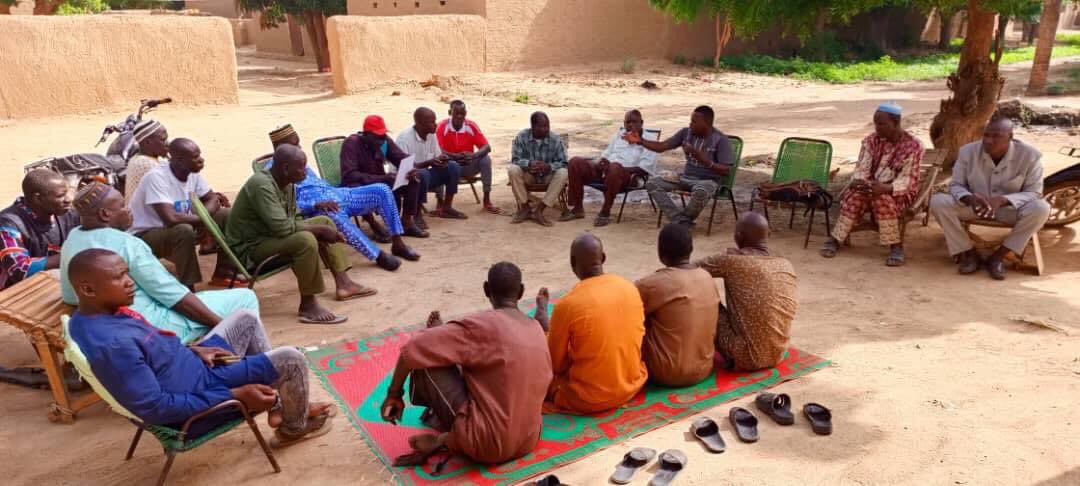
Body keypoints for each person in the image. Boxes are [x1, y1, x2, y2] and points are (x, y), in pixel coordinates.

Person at [66, 248, 336, 447]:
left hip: (193, 367)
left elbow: (152, 352)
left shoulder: (90, 317)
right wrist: (236, 394)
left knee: (245, 319)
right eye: (119, 277)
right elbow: (157, 408)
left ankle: (277, 404)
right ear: (88, 290)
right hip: (199, 399)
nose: (130, 281)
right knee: (291, 359)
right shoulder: (113, 346)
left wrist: (193, 350)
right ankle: (293, 428)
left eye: (127, 273)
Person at [379, 262, 552, 465]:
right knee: (480, 362)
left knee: (426, 358)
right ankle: (445, 344)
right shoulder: (536, 329)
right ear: (521, 292)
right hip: (528, 440)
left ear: (486, 289)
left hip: (487, 445)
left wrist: (394, 394)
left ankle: (446, 438)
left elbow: (410, 351)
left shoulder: (479, 326)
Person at [60, 182, 259, 344]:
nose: (128, 210)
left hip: (108, 326)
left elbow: (70, 297)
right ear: (105, 214)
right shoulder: (127, 244)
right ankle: (240, 356)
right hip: (151, 328)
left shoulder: (72, 239)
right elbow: (174, 296)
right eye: (122, 206)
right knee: (245, 297)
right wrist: (222, 324)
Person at [228, 144, 374, 324]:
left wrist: (321, 228)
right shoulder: (261, 185)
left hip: (271, 237)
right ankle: (308, 305)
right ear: (285, 168)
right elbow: (283, 227)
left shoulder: (287, 184)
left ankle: (344, 284)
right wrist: (319, 231)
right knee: (305, 240)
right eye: (301, 167)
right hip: (251, 249)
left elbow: (294, 218)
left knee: (325, 221)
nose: (305, 171)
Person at [267, 125, 418, 271]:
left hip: (336, 194)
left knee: (381, 190)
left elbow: (317, 183)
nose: (299, 147)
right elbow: (286, 206)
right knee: (334, 215)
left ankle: (397, 242)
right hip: (318, 208)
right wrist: (315, 204)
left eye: (299, 143)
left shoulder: (296, 159)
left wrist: (333, 193)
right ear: (280, 148)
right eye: (294, 144)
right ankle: (377, 255)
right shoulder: (275, 173)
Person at [536, 234, 647, 414]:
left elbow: (554, 365)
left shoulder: (568, 304)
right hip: (631, 386)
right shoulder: (629, 287)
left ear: (572, 262)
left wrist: (545, 329)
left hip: (588, 398)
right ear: (603, 258)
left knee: (532, 365)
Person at [929, 118, 1050, 280]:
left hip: (1009, 210)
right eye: (986, 135)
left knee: (1041, 209)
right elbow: (956, 184)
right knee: (938, 202)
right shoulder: (968, 152)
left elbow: (1034, 192)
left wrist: (1003, 200)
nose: (988, 140)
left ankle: (999, 256)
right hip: (975, 206)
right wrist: (969, 198)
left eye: (996, 136)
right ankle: (969, 253)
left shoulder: (1030, 156)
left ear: (1010, 137)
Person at [821, 103, 923, 266]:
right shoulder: (871, 141)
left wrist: (886, 188)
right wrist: (862, 182)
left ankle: (895, 245)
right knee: (857, 195)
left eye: (881, 124)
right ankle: (836, 238)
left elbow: (908, 179)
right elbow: (862, 168)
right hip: (870, 187)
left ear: (895, 123)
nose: (877, 128)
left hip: (897, 193)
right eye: (875, 123)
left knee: (881, 198)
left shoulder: (914, 145)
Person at [128, 138, 236, 288]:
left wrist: (203, 218)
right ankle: (188, 288)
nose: (201, 160)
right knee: (183, 230)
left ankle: (224, 272)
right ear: (179, 160)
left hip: (181, 225)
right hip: (145, 236)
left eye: (199, 155)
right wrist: (203, 220)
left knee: (226, 215)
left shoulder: (192, 172)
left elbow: (212, 198)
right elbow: (170, 218)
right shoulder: (156, 177)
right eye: (195, 157)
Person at [695, 213, 798, 371]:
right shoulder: (785, 264)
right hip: (777, 354)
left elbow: (686, 269)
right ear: (768, 235)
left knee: (702, 288)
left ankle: (723, 355)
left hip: (746, 357)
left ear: (739, 236)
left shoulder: (731, 260)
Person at [636, 224, 720, 387]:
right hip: (704, 368)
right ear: (691, 249)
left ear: (660, 253)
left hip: (665, 373)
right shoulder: (706, 276)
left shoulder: (654, 283)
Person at [625, 105, 733, 227]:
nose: (690, 124)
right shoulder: (686, 133)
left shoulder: (720, 140)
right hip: (685, 178)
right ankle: (679, 219)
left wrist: (701, 158)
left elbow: (726, 170)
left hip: (707, 181)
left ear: (706, 124)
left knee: (701, 191)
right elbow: (662, 146)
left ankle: (681, 221)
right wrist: (640, 141)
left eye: (694, 122)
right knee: (652, 183)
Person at [564, 109, 658, 227]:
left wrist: (616, 168)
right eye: (627, 122)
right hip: (606, 172)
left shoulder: (649, 140)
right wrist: (601, 162)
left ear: (641, 123)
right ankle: (578, 208)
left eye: (634, 122)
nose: (630, 125)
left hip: (629, 176)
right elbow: (607, 154)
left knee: (615, 168)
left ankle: (605, 211)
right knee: (575, 162)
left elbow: (644, 168)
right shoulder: (619, 135)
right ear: (624, 123)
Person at [340, 115, 430, 237]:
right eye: (377, 137)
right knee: (358, 187)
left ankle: (406, 222)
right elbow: (350, 175)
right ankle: (373, 223)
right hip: (359, 184)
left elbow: (400, 157)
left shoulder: (384, 141)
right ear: (366, 134)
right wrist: (382, 178)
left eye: (383, 136)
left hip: (380, 180)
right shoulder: (352, 143)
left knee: (415, 177)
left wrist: (411, 168)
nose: (381, 140)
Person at [0, 169, 79, 290]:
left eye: (66, 193)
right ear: (38, 198)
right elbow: (20, 270)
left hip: (54, 285)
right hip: (17, 293)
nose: (68, 199)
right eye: (60, 196)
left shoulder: (67, 214)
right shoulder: (8, 223)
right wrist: (72, 255)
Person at [396, 107, 467, 219]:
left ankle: (446, 207)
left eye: (435, 121)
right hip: (406, 179)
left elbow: (436, 155)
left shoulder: (431, 134)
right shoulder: (404, 139)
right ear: (421, 124)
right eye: (432, 122)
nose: (436, 124)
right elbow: (405, 169)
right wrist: (429, 162)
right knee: (422, 173)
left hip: (425, 176)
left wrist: (442, 160)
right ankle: (417, 215)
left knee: (453, 166)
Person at [508, 112, 569, 227]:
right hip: (529, 175)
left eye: (547, 126)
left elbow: (564, 162)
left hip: (548, 176)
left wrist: (549, 166)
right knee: (513, 170)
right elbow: (515, 160)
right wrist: (529, 163)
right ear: (532, 126)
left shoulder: (555, 139)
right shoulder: (522, 137)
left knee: (563, 173)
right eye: (541, 126)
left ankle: (540, 209)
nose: (545, 129)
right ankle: (525, 208)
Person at [437, 100, 499, 214]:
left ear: (466, 113)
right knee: (439, 162)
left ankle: (487, 200)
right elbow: (436, 149)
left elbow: (486, 147)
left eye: (462, 113)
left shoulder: (471, 126)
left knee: (485, 159)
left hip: (467, 165)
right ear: (450, 112)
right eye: (456, 113)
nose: (460, 116)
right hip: (449, 166)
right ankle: (440, 202)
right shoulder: (442, 126)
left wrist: (473, 155)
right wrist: (454, 156)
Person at [123, 119, 169, 204]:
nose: (168, 143)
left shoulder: (138, 158)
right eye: (163, 140)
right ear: (148, 142)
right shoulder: (147, 164)